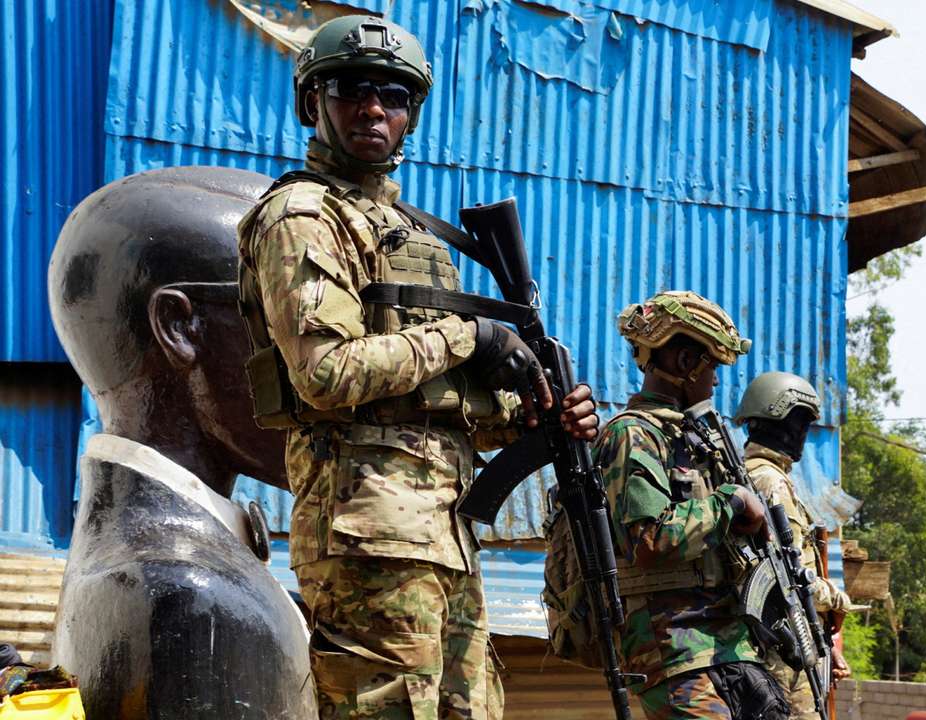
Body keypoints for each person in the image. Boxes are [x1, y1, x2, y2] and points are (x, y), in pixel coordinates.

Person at [235, 15, 598, 719]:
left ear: (412, 115)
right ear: (313, 103)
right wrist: (469, 338)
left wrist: (534, 418)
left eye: (394, 95)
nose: (374, 108)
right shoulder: (301, 216)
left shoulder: (412, 232)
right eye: (351, 89)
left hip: (445, 533)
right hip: (365, 532)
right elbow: (327, 374)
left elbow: (437, 415)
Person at [47, 166, 316, 719]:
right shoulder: (194, 596)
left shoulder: (148, 564)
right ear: (179, 327)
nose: (326, 371)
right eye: (293, 326)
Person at [595, 290, 790, 720]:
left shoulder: (696, 440)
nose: (716, 381)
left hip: (728, 641)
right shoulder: (633, 435)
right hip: (673, 647)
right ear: (685, 364)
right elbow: (648, 539)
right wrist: (732, 503)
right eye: (713, 367)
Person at [734, 372, 857, 719]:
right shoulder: (769, 482)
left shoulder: (757, 475)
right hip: (780, 649)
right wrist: (837, 598)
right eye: (800, 421)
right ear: (778, 423)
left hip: (785, 640)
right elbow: (787, 576)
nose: (804, 433)